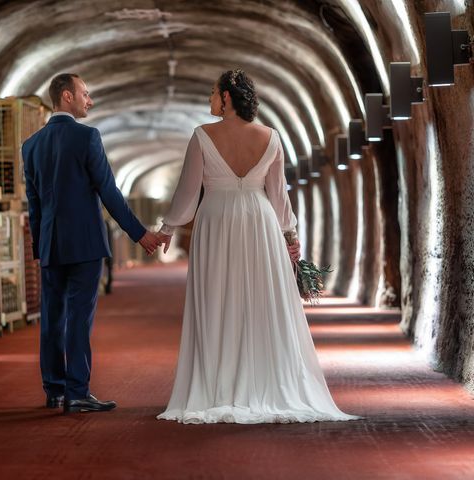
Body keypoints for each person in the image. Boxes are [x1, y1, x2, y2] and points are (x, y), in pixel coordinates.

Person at [155, 69, 359, 424]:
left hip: (216, 219)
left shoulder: (202, 136)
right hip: (259, 220)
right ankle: (264, 381)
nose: (209, 100)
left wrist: (169, 226)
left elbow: (188, 192)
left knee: (217, 297)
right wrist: (291, 236)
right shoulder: (273, 137)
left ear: (227, 98)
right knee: (260, 298)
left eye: (212, 93)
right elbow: (279, 194)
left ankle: (218, 385)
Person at [23, 73, 160, 413]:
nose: (90, 100)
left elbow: (34, 204)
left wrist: (38, 248)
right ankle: (77, 392)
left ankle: (54, 390)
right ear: (66, 96)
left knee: (53, 318)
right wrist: (139, 233)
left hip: (51, 244)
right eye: (85, 93)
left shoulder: (31, 145)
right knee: (79, 318)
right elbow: (109, 192)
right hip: (85, 244)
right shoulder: (87, 137)